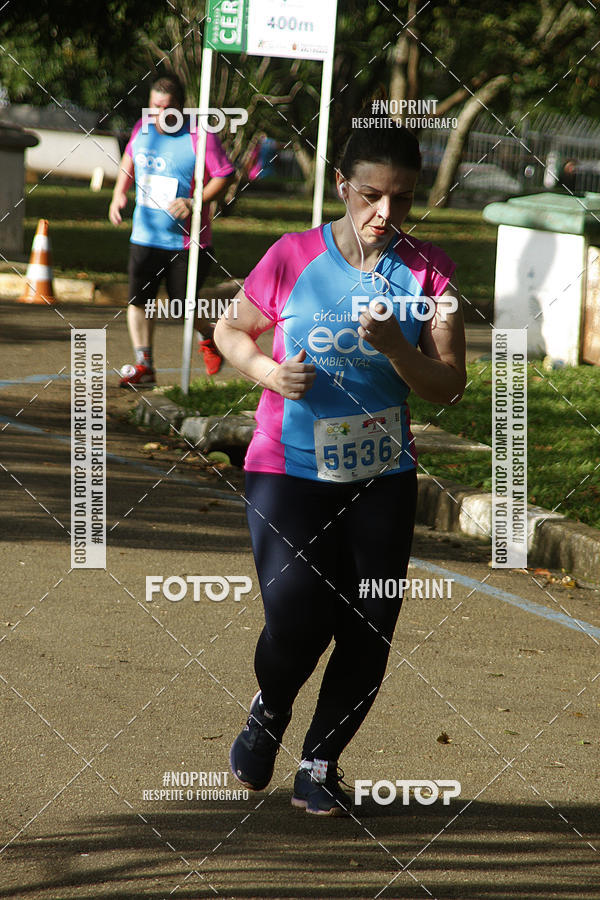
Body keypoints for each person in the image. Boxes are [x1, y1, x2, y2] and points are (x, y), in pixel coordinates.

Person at [214, 110, 466, 816]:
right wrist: (268, 372)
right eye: (371, 195)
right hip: (287, 469)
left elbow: (449, 384)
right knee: (298, 616)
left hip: (381, 477)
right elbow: (230, 329)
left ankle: (321, 760)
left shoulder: (431, 274)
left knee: (369, 621)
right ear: (341, 186)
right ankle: (270, 707)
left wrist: (397, 348)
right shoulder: (292, 255)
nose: (386, 213)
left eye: (402, 199)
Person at [109, 73, 235, 386]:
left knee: (183, 306)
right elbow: (129, 158)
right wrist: (119, 193)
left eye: (167, 107)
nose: (159, 113)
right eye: (154, 106)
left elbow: (225, 174)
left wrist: (195, 201)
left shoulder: (200, 135)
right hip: (145, 236)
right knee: (139, 301)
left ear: (180, 107)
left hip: (187, 243)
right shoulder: (142, 128)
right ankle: (144, 366)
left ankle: (209, 336)